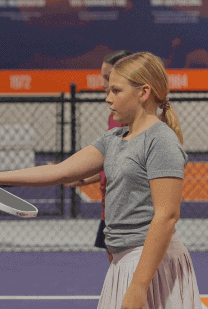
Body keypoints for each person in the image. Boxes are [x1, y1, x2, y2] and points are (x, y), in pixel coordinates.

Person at [0, 52, 200, 308]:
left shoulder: (161, 140)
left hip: (151, 264)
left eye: (116, 90)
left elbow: (166, 216)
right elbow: (58, 171)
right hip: (125, 262)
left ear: (143, 92)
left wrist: (138, 286)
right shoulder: (113, 138)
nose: (108, 98)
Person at [65, 50, 132, 263]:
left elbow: (126, 168)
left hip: (125, 211)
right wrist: (85, 179)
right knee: (116, 270)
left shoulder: (133, 121)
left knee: (126, 270)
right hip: (109, 205)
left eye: (108, 76)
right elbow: (113, 164)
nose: (103, 83)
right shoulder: (115, 115)